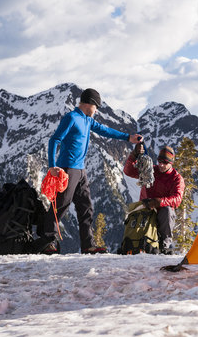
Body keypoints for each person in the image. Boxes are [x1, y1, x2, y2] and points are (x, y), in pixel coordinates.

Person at [42, 88, 142, 254]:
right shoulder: (71, 118)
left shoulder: (88, 120)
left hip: (81, 170)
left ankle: (88, 245)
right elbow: (54, 140)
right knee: (61, 204)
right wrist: (52, 166)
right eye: (96, 107)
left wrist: (128, 138)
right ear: (89, 104)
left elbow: (105, 130)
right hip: (67, 168)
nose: (97, 111)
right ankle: (47, 242)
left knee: (86, 207)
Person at [123, 144, 185, 254]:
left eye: (165, 163)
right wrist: (134, 155)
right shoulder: (151, 171)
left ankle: (164, 245)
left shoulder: (176, 178)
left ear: (171, 163)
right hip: (146, 208)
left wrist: (159, 202)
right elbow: (128, 171)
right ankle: (133, 242)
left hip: (162, 211)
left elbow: (177, 199)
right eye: (159, 161)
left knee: (167, 210)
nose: (161, 165)